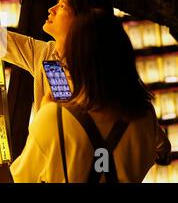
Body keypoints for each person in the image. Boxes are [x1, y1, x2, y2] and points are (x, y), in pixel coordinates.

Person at [10, 10, 171, 182]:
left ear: (79, 59)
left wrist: (44, 112)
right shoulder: (145, 114)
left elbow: (22, 177)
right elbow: (162, 151)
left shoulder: (54, 117)